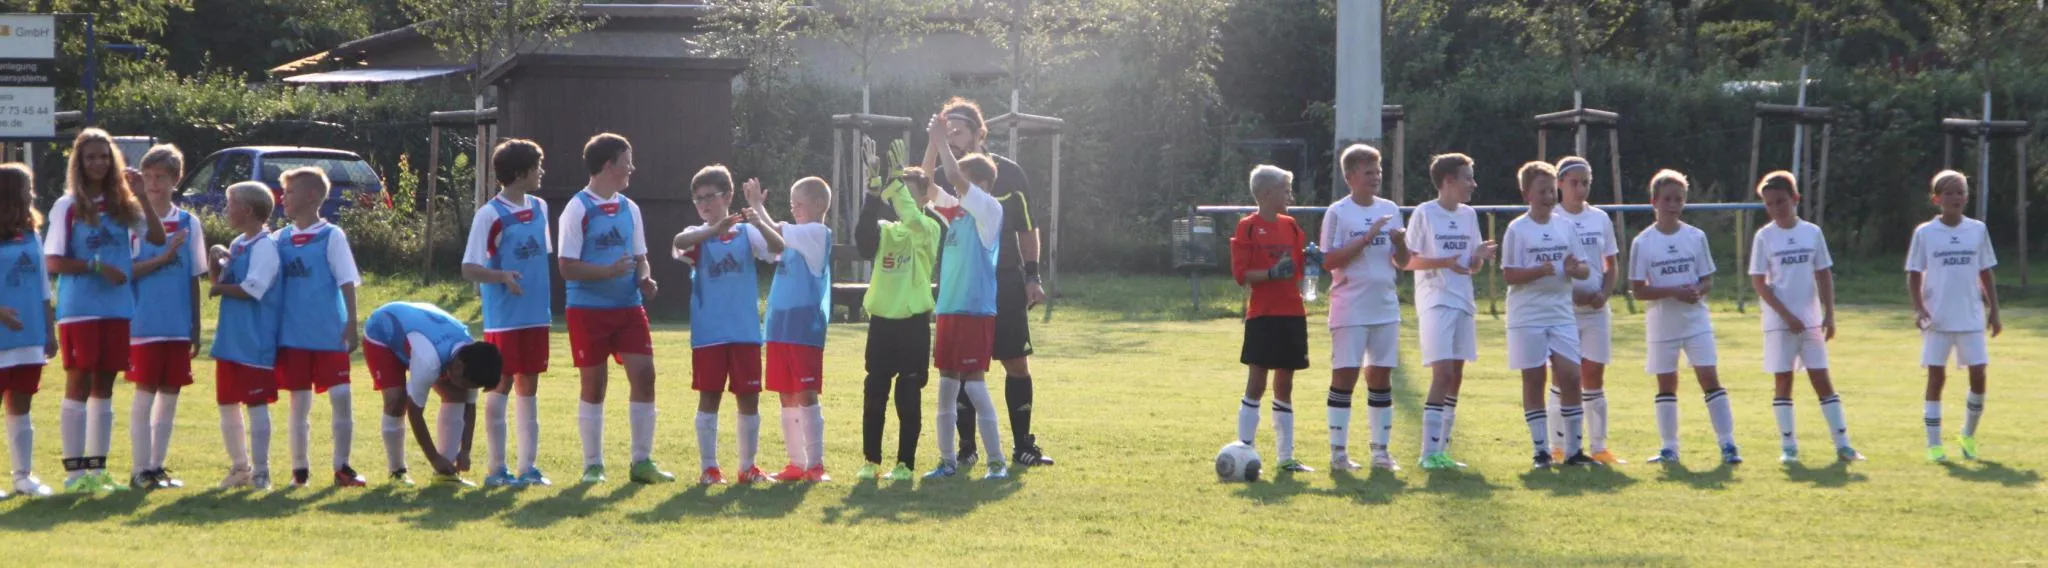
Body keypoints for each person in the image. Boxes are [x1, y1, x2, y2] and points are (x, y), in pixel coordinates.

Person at [923, 97, 1053, 467]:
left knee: (1015, 363)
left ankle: (1023, 445)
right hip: (961, 291)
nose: (952, 136)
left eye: (957, 130)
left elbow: (1027, 227)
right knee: (961, 371)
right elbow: (925, 185)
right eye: (948, 131)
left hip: (1003, 281)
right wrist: (935, 143)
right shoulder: (950, 181)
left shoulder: (1005, 176)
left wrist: (1032, 276)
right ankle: (966, 448)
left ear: (980, 133)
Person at [46, 128, 168, 492]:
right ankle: (74, 474)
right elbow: (52, 261)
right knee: (79, 382)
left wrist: (142, 196)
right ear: (79, 163)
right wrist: (96, 266)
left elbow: (157, 238)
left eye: (104, 156)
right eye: (90, 157)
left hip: (117, 308)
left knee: (105, 385)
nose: (98, 163)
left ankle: (97, 470)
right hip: (80, 308)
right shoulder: (68, 205)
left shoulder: (123, 204)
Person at [558, 133, 662, 484]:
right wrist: (606, 272)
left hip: (628, 308)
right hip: (587, 310)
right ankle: (593, 465)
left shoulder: (630, 208)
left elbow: (641, 258)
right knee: (594, 384)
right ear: (608, 165)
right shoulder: (577, 208)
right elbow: (566, 267)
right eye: (627, 161)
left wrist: (644, 279)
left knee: (645, 376)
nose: (632, 168)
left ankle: (642, 462)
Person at [671, 167, 783, 485]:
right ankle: (709, 468)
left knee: (749, 397)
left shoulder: (746, 233)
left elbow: (778, 247)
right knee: (709, 397)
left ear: (728, 196)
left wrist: (758, 220)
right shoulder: (697, 234)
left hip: (745, 331)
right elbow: (679, 242)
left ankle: (747, 467)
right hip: (709, 334)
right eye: (698, 199)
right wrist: (712, 230)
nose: (704, 204)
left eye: (711, 196)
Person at [1748, 171, 1861, 464]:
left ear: (1795, 198)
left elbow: (1823, 274)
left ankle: (1843, 445)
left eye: (1781, 201)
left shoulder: (1812, 233)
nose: (1776, 208)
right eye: (1769, 204)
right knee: (1783, 381)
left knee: (1822, 379)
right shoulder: (1764, 236)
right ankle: (1788, 447)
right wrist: (1786, 316)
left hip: (1810, 321)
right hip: (1779, 324)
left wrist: (1829, 314)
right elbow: (1759, 282)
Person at [1628, 169, 1739, 466]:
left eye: (1678, 199)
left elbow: (1707, 280)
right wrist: (1673, 292)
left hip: (1695, 321)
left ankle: (1728, 444)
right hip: (1662, 324)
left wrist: (1697, 291)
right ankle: (1669, 448)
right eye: (1667, 199)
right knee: (1666, 383)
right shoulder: (1643, 242)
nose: (1673, 205)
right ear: (1654, 202)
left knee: (1709, 377)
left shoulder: (1695, 237)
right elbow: (1638, 290)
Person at [922, 113, 1010, 480]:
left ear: (983, 186)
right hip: (949, 309)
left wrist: (943, 141)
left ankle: (997, 462)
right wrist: (932, 143)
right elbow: (924, 186)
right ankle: (947, 461)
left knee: (974, 385)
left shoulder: (989, 209)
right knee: (946, 386)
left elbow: (953, 176)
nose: (958, 187)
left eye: (966, 183)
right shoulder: (956, 211)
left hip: (975, 311)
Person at [462, 138, 554, 487]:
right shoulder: (490, 215)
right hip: (505, 319)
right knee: (500, 385)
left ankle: (528, 468)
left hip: (537, 316)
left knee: (529, 386)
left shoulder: (541, 208)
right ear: (521, 172)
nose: (542, 172)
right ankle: (496, 469)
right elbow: (469, 268)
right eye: (537, 167)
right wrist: (501, 277)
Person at [272, 167, 367, 488]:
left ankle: (343, 467)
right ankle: (299, 471)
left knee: (341, 397)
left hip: (329, 334)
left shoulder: (332, 236)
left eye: (290, 192)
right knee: (299, 403)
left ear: (312, 196)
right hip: (293, 337)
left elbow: (347, 281)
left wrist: (351, 324)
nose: (283, 198)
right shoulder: (279, 239)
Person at [1318, 144, 1408, 472]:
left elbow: (1402, 262)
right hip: (1350, 307)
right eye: (1369, 172)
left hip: (1385, 306)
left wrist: (1400, 243)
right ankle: (1338, 454)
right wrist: (1367, 237)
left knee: (1381, 376)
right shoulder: (1338, 212)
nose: (1376, 177)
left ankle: (1380, 452)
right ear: (1350, 177)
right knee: (1345, 375)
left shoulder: (1390, 208)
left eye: (1378, 171)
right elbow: (1329, 260)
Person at [1500, 161, 1595, 468]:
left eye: (1551, 191)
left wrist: (1575, 269)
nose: (1549, 197)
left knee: (1571, 376)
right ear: (1527, 194)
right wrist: (1537, 271)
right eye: (1541, 191)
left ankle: (1574, 451)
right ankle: (1541, 450)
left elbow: (1584, 269)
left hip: (1560, 312)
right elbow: (1509, 275)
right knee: (1534, 378)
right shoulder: (1517, 229)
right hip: (1526, 315)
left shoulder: (1565, 226)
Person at [1405, 153, 1496, 470]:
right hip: (1435, 301)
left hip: (1463, 301)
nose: (1473, 184)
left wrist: (1479, 254)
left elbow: (1471, 265)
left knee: (1455, 376)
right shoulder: (1425, 213)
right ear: (1448, 181)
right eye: (1468, 178)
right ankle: (1428, 453)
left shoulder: (1469, 215)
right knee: (1442, 374)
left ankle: (1442, 450)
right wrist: (1443, 262)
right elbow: (1408, 261)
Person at [125, 145, 208, 489]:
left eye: (160, 177)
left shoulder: (189, 223)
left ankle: (157, 466)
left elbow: (194, 277)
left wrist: (195, 326)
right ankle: (139, 469)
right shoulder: (134, 222)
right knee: (144, 393)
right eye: (148, 176)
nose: (153, 183)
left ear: (176, 180)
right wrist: (161, 258)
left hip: (177, 326)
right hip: (143, 323)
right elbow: (127, 271)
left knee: (170, 394)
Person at [1906, 170, 2000, 463]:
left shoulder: (1977, 230)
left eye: (1960, 192)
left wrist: (1994, 310)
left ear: (1966, 197)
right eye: (1948, 193)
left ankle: (1967, 435)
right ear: (1936, 199)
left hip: (1970, 315)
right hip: (1938, 318)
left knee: (1979, 374)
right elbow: (1914, 273)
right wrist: (1920, 308)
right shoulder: (1925, 233)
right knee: (1936, 378)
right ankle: (1934, 445)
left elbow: (1985, 271)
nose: (1955, 198)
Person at [854, 166, 941, 481]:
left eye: (908, 192)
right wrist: (873, 197)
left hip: (913, 324)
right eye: (898, 192)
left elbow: (913, 219)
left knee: (908, 393)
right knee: (875, 392)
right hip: (882, 323)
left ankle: (905, 464)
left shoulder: (929, 228)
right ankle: (871, 461)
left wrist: (895, 187)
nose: (900, 199)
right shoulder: (887, 230)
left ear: (924, 197)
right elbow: (864, 243)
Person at [362, 302, 504, 487]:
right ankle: (397, 471)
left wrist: (466, 450)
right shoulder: (429, 360)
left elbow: (470, 406)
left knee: (458, 395)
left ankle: (445, 474)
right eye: (468, 384)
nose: (468, 389)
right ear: (458, 367)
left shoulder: (471, 356)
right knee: (396, 401)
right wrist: (434, 458)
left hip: (420, 336)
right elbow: (415, 412)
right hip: (383, 332)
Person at [1230, 165, 1311, 473]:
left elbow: (1299, 267)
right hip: (1263, 315)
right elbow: (1242, 275)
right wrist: (1271, 273)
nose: (1289, 196)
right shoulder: (1248, 227)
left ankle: (1286, 457)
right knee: (1257, 383)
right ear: (1266, 194)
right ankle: (1245, 452)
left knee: (1285, 385)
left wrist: (1312, 261)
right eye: (1284, 190)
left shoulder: (1291, 226)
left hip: (1293, 313)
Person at [207, 182, 285, 490]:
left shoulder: (265, 246)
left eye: (230, 205)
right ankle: (240, 467)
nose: (226, 210)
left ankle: (262, 471)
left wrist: (219, 289)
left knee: (256, 403)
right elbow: (220, 278)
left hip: (255, 339)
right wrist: (215, 259)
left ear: (248, 210)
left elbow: (253, 288)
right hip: (230, 338)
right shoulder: (238, 243)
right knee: (227, 402)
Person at [1546, 156, 1622, 464]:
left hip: (1595, 311)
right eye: (1574, 183)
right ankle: (1558, 446)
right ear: (1560, 184)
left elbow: (1611, 264)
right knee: (1562, 377)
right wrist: (1569, 293)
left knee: (1594, 375)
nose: (1580, 189)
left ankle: (1599, 447)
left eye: (1586, 183)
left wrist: (1604, 293)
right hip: (1561, 311)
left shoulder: (1599, 218)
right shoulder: (1551, 218)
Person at [0, 163, 58, 497]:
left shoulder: (32, 232)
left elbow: (43, 286)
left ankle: (23, 476)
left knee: (21, 406)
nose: (31, 195)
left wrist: (49, 330)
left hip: (30, 336)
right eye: (26, 189)